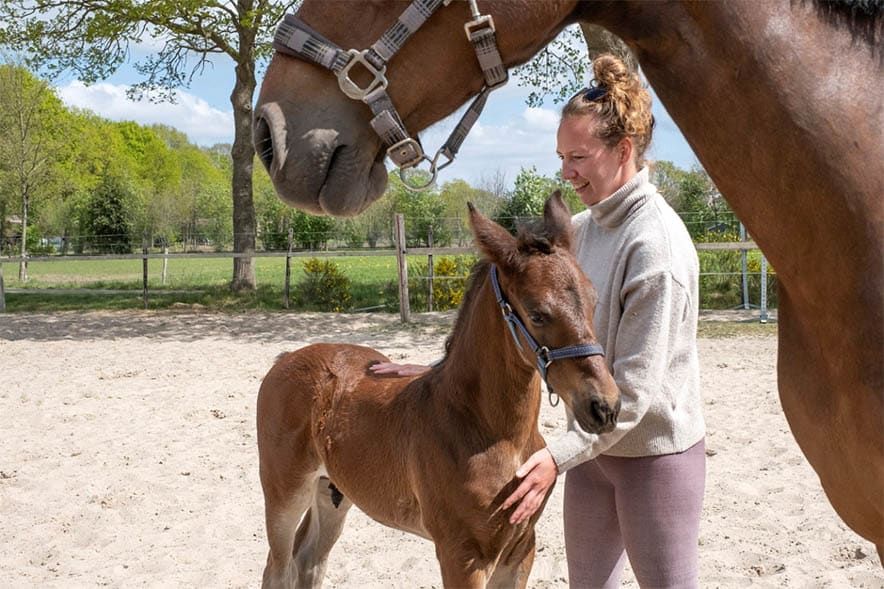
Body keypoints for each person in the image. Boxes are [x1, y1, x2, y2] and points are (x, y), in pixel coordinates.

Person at [372, 53, 705, 588]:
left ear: (623, 151)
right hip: (590, 449)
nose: (566, 172)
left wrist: (554, 457)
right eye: (561, 157)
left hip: (650, 458)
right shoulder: (581, 227)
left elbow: (637, 394)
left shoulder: (655, 248)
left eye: (578, 157)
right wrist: (445, 369)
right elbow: (521, 313)